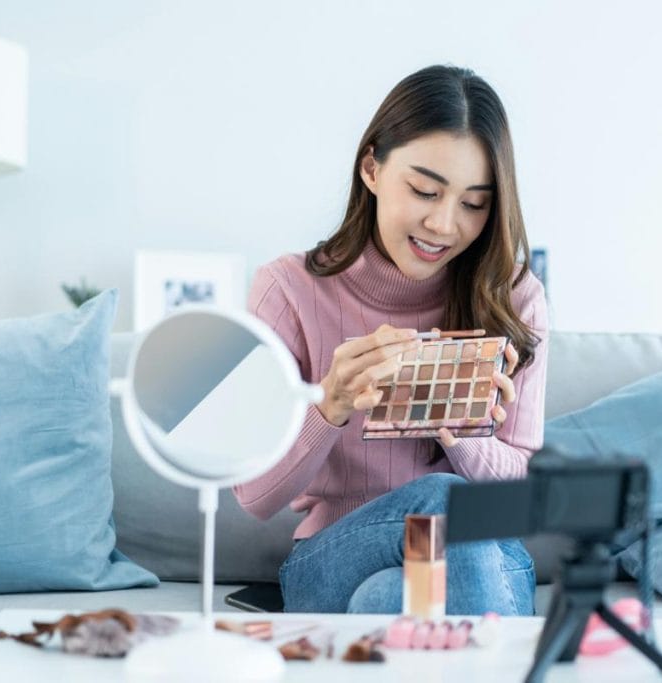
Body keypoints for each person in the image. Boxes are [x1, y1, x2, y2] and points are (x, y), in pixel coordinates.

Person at [234, 65, 549, 615]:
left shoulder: (514, 296)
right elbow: (254, 496)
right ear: (372, 169)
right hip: (338, 551)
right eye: (425, 190)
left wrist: (458, 429)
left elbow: (522, 490)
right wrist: (328, 405)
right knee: (444, 501)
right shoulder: (287, 289)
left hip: (480, 556)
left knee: (388, 600)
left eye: (474, 203)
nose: (445, 225)